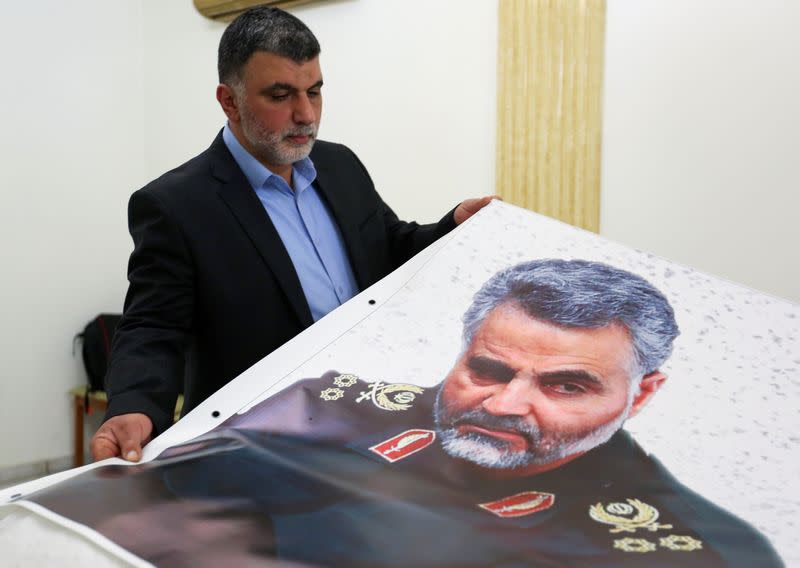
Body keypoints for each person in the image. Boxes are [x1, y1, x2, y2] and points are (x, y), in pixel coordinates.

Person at [33, 259, 782, 567]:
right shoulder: (332, 404)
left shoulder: (694, 546)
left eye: (564, 387)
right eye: (487, 369)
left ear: (641, 394)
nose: (505, 404)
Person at [90, 6, 494, 463]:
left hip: (369, 422)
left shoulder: (340, 165)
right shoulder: (177, 206)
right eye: (281, 95)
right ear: (229, 101)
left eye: (314, 91)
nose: (305, 114)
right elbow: (153, 325)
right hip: (260, 446)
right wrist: (134, 405)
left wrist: (450, 228)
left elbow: (387, 247)